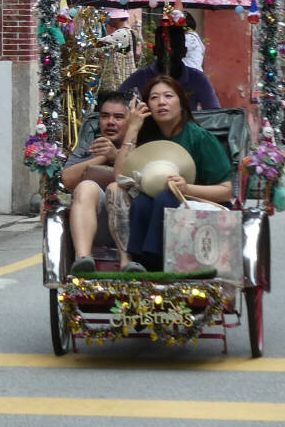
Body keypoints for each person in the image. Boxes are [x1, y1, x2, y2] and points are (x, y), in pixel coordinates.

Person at [117, 74, 234, 272]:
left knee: (166, 199)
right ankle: (139, 263)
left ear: (181, 102)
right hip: (158, 204)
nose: (161, 102)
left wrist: (186, 188)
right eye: (154, 98)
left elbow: (226, 191)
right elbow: (120, 177)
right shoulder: (148, 138)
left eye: (168, 96)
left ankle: (158, 262)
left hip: (200, 205)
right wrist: (132, 129)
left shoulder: (200, 138)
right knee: (142, 203)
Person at [64, 90, 137, 273]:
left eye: (118, 117)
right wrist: (102, 158)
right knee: (86, 187)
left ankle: (126, 261)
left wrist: (117, 155)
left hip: (135, 220)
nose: (110, 122)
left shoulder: (140, 144)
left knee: (116, 187)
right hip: (95, 224)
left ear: (131, 121)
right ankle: (83, 260)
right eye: (105, 116)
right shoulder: (91, 145)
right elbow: (67, 180)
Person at [118, 14, 222, 110]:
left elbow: (215, 115)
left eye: (175, 49)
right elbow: (117, 104)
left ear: (184, 51)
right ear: (155, 51)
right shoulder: (141, 77)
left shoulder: (197, 78)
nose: (169, 54)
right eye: (163, 49)